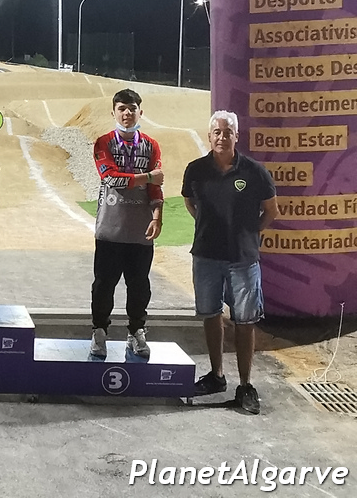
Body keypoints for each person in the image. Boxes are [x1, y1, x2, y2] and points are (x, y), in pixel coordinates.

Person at [182, 110, 277, 414]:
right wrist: (209, 228)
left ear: (237, 136)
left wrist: (248, 233)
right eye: (217, 132)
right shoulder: (195, 170)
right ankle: (216, 376)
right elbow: (190, 203)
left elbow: (271, 211)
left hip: (242, 260)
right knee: (210, 315)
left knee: (245, 322)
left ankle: (246, 385)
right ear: (209, 136)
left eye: (228, 132)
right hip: (206, 256)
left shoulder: (255, 172)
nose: (222, 137)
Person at [90, 88, 164, 359]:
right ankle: (99, 331)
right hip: (110, 230)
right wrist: (148, 177)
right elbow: (110, 178)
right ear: (113, 112)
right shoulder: (103, 143)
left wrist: (157, 215)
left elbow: (157, 187)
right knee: (103, 285)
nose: (127, 113)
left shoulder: (151, 145)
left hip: (140, 230)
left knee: (139, 287)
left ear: (140, 112)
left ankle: (136, 331)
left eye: (132, 108)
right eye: (121, 108)